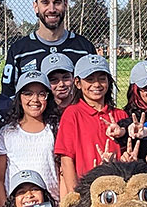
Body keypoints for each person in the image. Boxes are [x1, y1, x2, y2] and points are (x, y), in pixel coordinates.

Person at [1, 0, 96, 97]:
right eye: (45, 3)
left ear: (65, 5)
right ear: (36, 7)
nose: (52, 9)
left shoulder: (84, 48)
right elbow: (8, 96)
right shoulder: (19, 50)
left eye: (57, 2)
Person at [53, 55, 127, 193]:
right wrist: (75, 194)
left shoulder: (120, 115)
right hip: (88, 191)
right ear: (78, 83)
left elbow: (127, 153)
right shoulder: (72, 114)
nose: (97, 84)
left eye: (102, 78)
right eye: (90, 79)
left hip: (118, 191)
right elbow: (66, 159)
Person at [0, 70, 61, 207]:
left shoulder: (56, 130)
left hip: (52, 205)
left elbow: (62, 171)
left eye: (41, 94)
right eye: (28, 94)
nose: (35, 100)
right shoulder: (6, 134)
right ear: (19, 98)